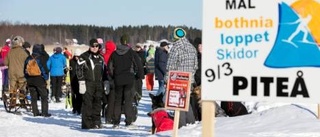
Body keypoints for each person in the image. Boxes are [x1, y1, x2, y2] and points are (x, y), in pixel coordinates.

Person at [108, 34, 143, 128]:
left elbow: (110, 67)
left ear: (120, 41)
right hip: (129, 79)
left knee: (118, 100)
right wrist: (138, 75)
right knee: (128, 100)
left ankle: (116, 122)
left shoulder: (114, 53)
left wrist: (113, 76)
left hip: (118, 79)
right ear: (128, 42)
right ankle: (128, 121)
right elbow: (138, 65)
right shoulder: (132, 52)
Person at [166, 28, 198, 128]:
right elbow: (195, 65)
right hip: (189, 80)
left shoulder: (176, 48)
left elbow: (170, 66)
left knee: (178, 104)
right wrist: (190, 76)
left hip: (177, 80)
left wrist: (167, 80)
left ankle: (181, 127)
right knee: (186, 102)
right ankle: (191, 123)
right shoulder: (192, 47)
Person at [77, 38, 106, 129]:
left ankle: (96, 121)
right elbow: (78, 69)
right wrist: (81, 81)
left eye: (96, 46)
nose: (94, 48)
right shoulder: (84, 56)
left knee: (97, 103)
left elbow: (104, 71)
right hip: (88, 83)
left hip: (98, 84)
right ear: (90, 46)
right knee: (87, 104)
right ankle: (87, 123)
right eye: (92, 46)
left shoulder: (101, 57)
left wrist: (106, 81)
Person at [24, 44, 50, 117]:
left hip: (30, 80)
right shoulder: (40, 58)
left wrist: (27, 78)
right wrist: (45, 78)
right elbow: (44, 69)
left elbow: (24, 70)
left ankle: (35, 112)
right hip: (39, 80)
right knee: (44, 96)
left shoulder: (28, 58)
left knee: (33, 97)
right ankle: (44, 112)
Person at [4, 36, 29, 107]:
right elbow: (28, 62)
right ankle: (22, 102)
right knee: (22, 88)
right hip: (21, 73)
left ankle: (12, 103)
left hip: (12, 73)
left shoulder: (9, 52)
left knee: (12, 89)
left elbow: (5, 63)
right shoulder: (23, 52)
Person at [102, 40, 116, 124]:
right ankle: (111, 115)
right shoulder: (114, 55)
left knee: (105, 96)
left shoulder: (103, 56)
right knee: (112, 97)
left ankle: (104, 113)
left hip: (104, 78)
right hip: (112, 77)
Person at [69, 48, 83, 115]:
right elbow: (69, 70)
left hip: (80, 80)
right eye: (76, 56)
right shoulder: (71, 61)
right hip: (72, 80)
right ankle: (74, 108)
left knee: (79, 95)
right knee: (73, 95)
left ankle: (79, 108)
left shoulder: (82, 61)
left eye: (78, 56)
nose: (77, 57)